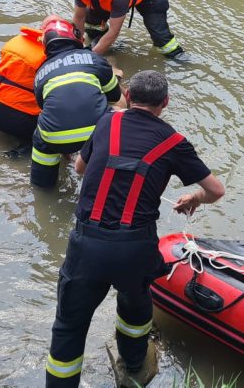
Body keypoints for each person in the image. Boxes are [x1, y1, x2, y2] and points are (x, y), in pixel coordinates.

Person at [45, 70, 225, 387]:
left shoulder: (107, 121)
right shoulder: (175, 142)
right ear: (165, 102)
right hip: (134, 248)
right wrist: (194, 198)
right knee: (134, 310)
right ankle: (133, 366)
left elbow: (80, 168)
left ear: (127, 95)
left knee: (69, 327)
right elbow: (216, 190)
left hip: (88, 245)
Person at [31, 18, 125, 188]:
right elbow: (114, 95)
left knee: (42, 137)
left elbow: (45, 108)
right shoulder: (94, 59)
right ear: (76, 37)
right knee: (118, 108)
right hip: (98, 134)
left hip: (55, 138)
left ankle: (43, 187)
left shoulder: (40, 73)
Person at [0, 15, 58, 157]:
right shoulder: (54, 56)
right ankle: (18, 154)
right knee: (52, 130)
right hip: (18, 119)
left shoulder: (16, 40)